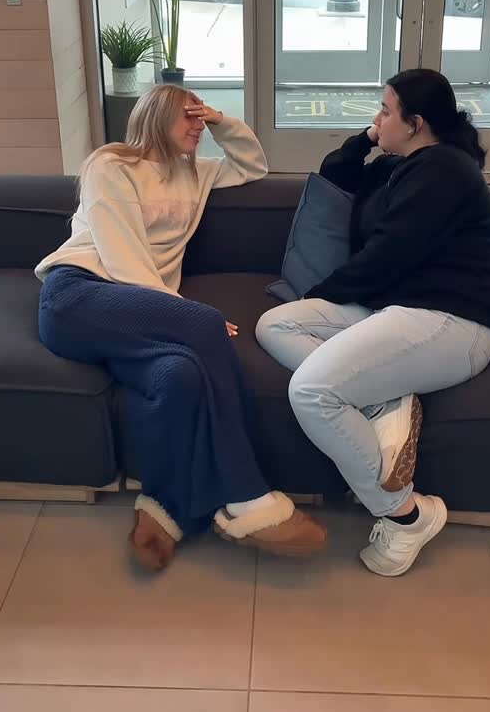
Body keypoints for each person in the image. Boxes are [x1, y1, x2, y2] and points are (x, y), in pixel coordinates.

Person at [36, 85, 326, 571]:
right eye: (187, 116)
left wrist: (220, 120)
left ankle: (163, 512)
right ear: (156, 117)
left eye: (200, 117)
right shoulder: (111, 165)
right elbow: (122, 256)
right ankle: (247, 496)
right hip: (78, 295)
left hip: (135, 314)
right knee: (205, 322)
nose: (197, 126)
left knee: (180, 377)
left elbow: (252, 165)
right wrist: (180, 314)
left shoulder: (197, 172)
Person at [256, 69, 490, 577]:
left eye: (386, 111)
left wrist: (322, 293)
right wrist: (371, 137)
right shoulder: (398, 165)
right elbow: (336, 173)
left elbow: (388, 256)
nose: (377, 118)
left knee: (312, 391)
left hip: (449, 321)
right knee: (275, 325)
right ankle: (383, 401)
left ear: (416, 123)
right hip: (391, 310)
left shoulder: (445, 171)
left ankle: (406, 515)